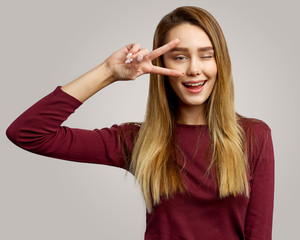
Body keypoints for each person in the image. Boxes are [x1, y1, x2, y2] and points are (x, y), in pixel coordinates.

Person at [6, 6, 274, 240]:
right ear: (161, 64)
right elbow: (28, 132)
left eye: (206, 55)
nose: (194, 68)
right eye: (180, 56)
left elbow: (259, 233)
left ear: (220, 62)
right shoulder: (138, 140)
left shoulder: (253, 136)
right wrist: (108, 72)